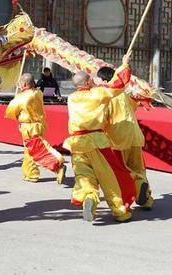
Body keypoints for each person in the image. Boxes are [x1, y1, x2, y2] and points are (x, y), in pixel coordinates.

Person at [65, 54, 148, 223]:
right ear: (88, 83)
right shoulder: (97, 94)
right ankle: (120, 210)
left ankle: (88, 195)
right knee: (110, 177)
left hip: (76, 142)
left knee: (83, 174)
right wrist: (124, 65)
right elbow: (117, 85)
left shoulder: (71, 98)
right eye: (91, 80)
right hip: (97, 140)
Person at [97, 66, 153, 209]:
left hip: (118, 138)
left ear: (103, 80)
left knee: (121, 170)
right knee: (139, 168)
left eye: (96, 79)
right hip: (135, 134)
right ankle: (147, 200)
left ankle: (131, 192)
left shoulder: (104, 95)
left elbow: (101, 119)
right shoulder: (124, 93)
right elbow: (133, 107)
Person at [4, 73, 66, 184]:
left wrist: (16, 97)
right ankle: (30, 173)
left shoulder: (22, 97)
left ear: (24, 84)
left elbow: (10, 112)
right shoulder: (38, 93)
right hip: (39, 124)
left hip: (29, 127)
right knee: (30, 151)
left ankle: (57, 165)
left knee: (38, 149)